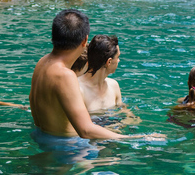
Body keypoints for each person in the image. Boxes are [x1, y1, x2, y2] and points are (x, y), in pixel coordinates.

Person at [29, 9, 158, 140]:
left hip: (41, 137)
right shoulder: (65, 76)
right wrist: (139, 137)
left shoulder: (42, 62)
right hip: (68, 147)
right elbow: (85, 130)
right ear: (85, 41)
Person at [78, 35, 123, 112]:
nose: (119, 61)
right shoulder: (78, 89)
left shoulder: (114, 85)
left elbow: (123, 112)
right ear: (109, 62)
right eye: (118, 57)